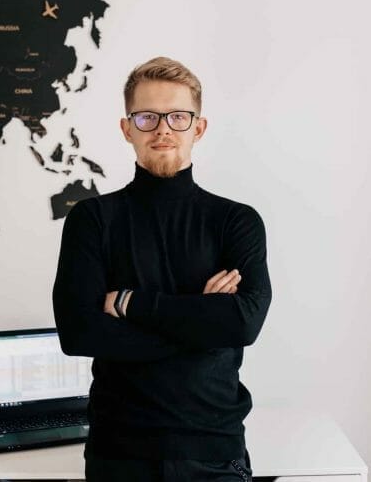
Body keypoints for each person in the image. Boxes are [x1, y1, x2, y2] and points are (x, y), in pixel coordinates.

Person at [52, 56, 272, 481]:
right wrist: (202, 321)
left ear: (199, 128)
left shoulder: (236, 221)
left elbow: (243, 325)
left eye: (177, 116)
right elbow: (78, 333)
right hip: (119, 454)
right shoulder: (93, 219)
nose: (163, 129)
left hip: (214, 452)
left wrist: (130, 303)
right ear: (127, 127)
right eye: (147, 117)